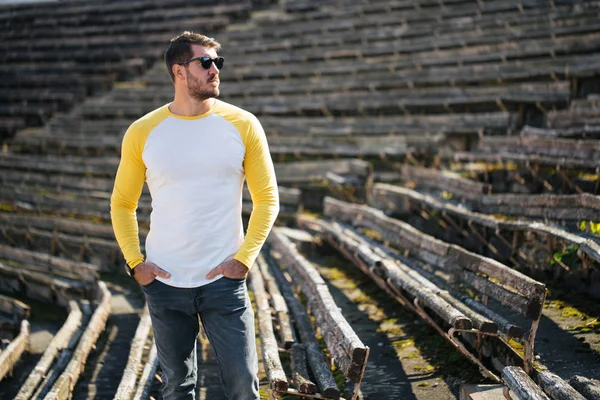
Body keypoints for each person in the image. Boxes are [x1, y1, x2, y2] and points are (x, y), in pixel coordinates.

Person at [110, 31, 279, 400]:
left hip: (224, 281)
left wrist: (243, 260)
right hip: (165, 283)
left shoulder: (244, 124)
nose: (215, 69)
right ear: (179, 71)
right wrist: (136, 263)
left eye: (218, 62)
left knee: (243, 389)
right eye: (205, 62)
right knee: (177, 389)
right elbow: (122, 203)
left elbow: (267, 199)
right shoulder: (142, 131)